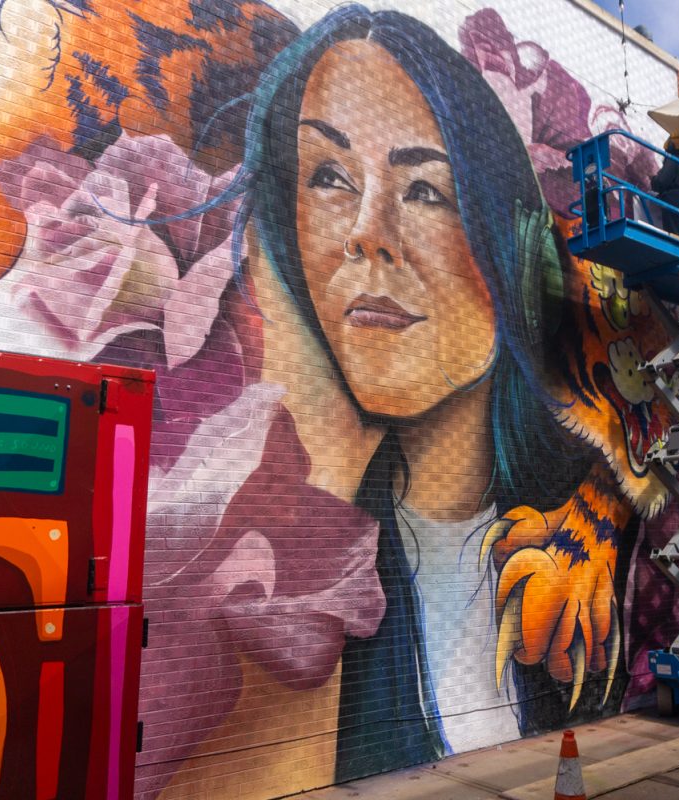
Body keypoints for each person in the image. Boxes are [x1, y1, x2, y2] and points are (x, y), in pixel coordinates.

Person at [234, 4, 590, 780]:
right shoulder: (252, 544)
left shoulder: (583, 523)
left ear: (509, 240)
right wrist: (323, 465)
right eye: (327, 176)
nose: (368, 229)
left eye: (427, 189)